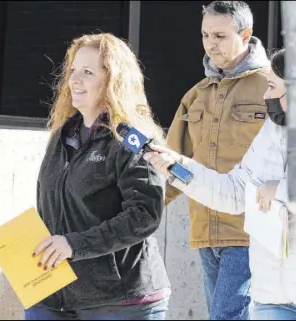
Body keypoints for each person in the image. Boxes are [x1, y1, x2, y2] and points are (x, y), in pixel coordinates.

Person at [144, 48, 296, 320]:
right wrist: (178, 167)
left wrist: (280, 190)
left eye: (273, 87)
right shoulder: (270, 131)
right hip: (273, 299)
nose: (265, 95)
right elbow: (234, 191)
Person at [26, 33, 171, 320]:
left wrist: (74, 245)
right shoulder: (61, 136)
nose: (75, 80)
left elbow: (144, 215)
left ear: (112, 80)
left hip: (120, 300)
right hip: (55, 295)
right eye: (72, 71)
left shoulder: (131, 139)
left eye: (88, 72)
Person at [165, 1, 271, 319]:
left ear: (245, 34)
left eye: (220, 35)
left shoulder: (273, 88)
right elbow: (171, 164)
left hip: (250, 232)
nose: (211, 43)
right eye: (205, 34)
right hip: (205, 233)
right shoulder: (196, 94)